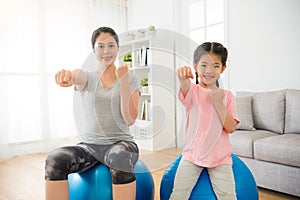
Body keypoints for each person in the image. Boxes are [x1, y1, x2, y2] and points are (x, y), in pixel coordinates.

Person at [45, 27, 140, 200]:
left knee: (119, 157)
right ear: (93, 51)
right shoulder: (88, 78)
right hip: (90, 146)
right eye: (100, 46)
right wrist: (68, 75)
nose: (106, 51)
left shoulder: (130, 78)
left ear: (118, 48)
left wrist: (124, 82)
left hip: (122, 143)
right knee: (55, 158)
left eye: (111, 45)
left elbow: (130, 118)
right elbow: (76, 75)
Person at [171, 42, 239, 200]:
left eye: (215, 66)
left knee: (229, 196)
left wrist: (218, 102)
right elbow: (185, 85)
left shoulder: (227, 96)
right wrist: (182, 76)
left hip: (220, 158)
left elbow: (230, 127)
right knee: (178, 195)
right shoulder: (193, 91)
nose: (209, 71)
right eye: (203, 65)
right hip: (192, 155)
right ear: (195, 67)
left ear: (223, 68)